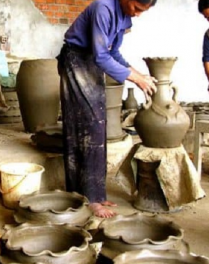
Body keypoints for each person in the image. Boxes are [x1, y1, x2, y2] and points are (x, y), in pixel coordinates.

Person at [57, 0, 158, 218]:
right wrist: (136, 80)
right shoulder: (103, 8)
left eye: (143, 11)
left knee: (96, 128)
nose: (138, 14)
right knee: (85, 127)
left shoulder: (124, 16)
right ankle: (87, 198)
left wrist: (139, 75)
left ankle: (95, 194)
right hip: (76, 60)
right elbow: (101, 55)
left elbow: (114, 54)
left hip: (91, 62)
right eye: (137, 9)